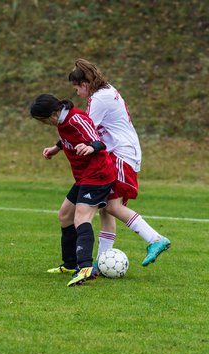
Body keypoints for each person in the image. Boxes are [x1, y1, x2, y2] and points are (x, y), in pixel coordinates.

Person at [48, 59, 171, 271]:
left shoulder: (99, 99)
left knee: (114, 206)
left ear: (86, 82)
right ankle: (101, 260)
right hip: (119, 152)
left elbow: (84, 128)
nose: (77, 92)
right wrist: (59, 146)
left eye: (77, 87)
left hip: (121, 154)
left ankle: (155, 239)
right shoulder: (104, 92)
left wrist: (59, 146)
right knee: (106, 208)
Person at [30, 93, 116, 287]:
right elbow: (70, 138)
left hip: (98, 174)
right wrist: (56, 148)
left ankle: (85, 267)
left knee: (81, 218)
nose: (45, 124)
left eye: (43, 120)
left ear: (52, 114)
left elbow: (98, 140)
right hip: (84, 176)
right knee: (65, 216)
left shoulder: (76, 118)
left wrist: (91, 148)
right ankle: (70, 264)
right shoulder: (62, 121)